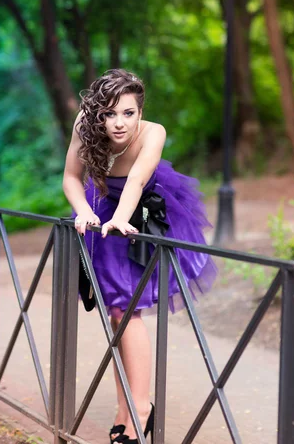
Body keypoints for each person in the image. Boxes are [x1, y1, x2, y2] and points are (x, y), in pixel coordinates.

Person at [63, 69, 217, 444]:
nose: (119, 123)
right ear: (97, 113)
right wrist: (84, 210)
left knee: (128, 311)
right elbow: (70, 177)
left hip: (142, 215)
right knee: (116, 316)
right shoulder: (84, 126)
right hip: (99, 211)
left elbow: (134, 181)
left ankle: (142, 410)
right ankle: (125, 408)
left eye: (128, 113)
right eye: (110, 114)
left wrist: (118, 219)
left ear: (140, 110)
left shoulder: (154, 132)